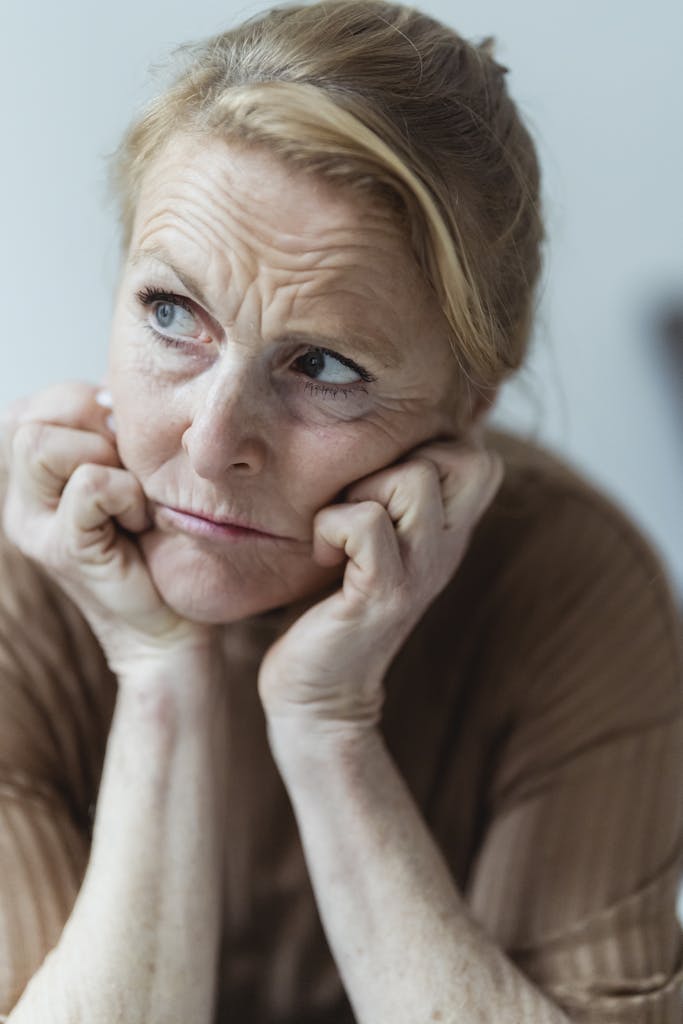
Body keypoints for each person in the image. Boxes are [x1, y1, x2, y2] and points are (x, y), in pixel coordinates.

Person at [0, 1, 681, 1021]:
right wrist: (158, 670)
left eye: (323, 366)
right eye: (171, 313)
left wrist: (328, 729)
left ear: (467, 411)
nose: (209, 438)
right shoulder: (22, 566)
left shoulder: (570, 588)